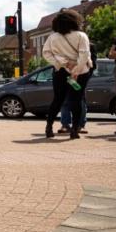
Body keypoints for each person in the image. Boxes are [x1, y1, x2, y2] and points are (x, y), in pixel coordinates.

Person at [42, 10, 92, 140]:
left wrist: (63, 64)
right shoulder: (81, 35)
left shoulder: (53, 37)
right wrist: (76, 70)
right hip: (81, 72)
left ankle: (49, 128)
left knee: (57, 99)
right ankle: (74, 130)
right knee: (77, 100)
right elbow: (84, 54)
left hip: (61, 72)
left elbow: (46, 53)